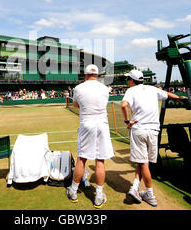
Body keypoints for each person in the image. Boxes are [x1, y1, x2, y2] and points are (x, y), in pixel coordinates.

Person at [121, 70, 183, 207]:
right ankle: (135, 188)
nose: (127, 81)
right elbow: (168, 95)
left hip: (139, 130)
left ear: (131, 80)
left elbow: (124, 105)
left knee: (143, 164)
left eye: (128, 79)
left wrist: (127, 121)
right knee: (142, 162)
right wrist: (179, 98)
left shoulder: (131, 91)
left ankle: (150, 194)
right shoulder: (152, 89)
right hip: (154, 131)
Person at [66, 64, 114, 209]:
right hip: (102, 126)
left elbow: (75, 104)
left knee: (82, 159)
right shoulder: (105, 89)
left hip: (86, 124)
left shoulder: (78, 88)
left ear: (85, 74)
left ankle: (73, 191)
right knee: (100, 160)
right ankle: (99, 196)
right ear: (97, 75)